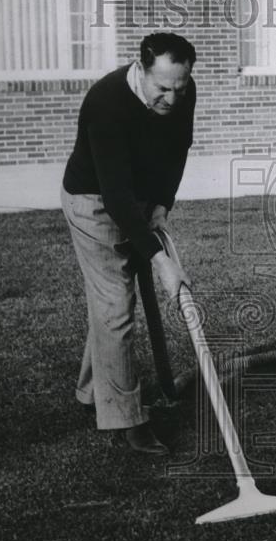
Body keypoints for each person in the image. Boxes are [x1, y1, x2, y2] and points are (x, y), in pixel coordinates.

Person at [61, 32, 196, 454]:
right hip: (92, 201)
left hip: (134, 196)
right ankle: (127, 419)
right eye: (162, 89)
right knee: (116, 305)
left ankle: (90, 392)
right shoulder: (106, 103)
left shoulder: (181, 90)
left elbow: (179, 149)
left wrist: (162, 205)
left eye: (180, 87)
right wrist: (162, 263)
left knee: (109, 306)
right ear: (140, 70)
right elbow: (115, 197)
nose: (172, 99)